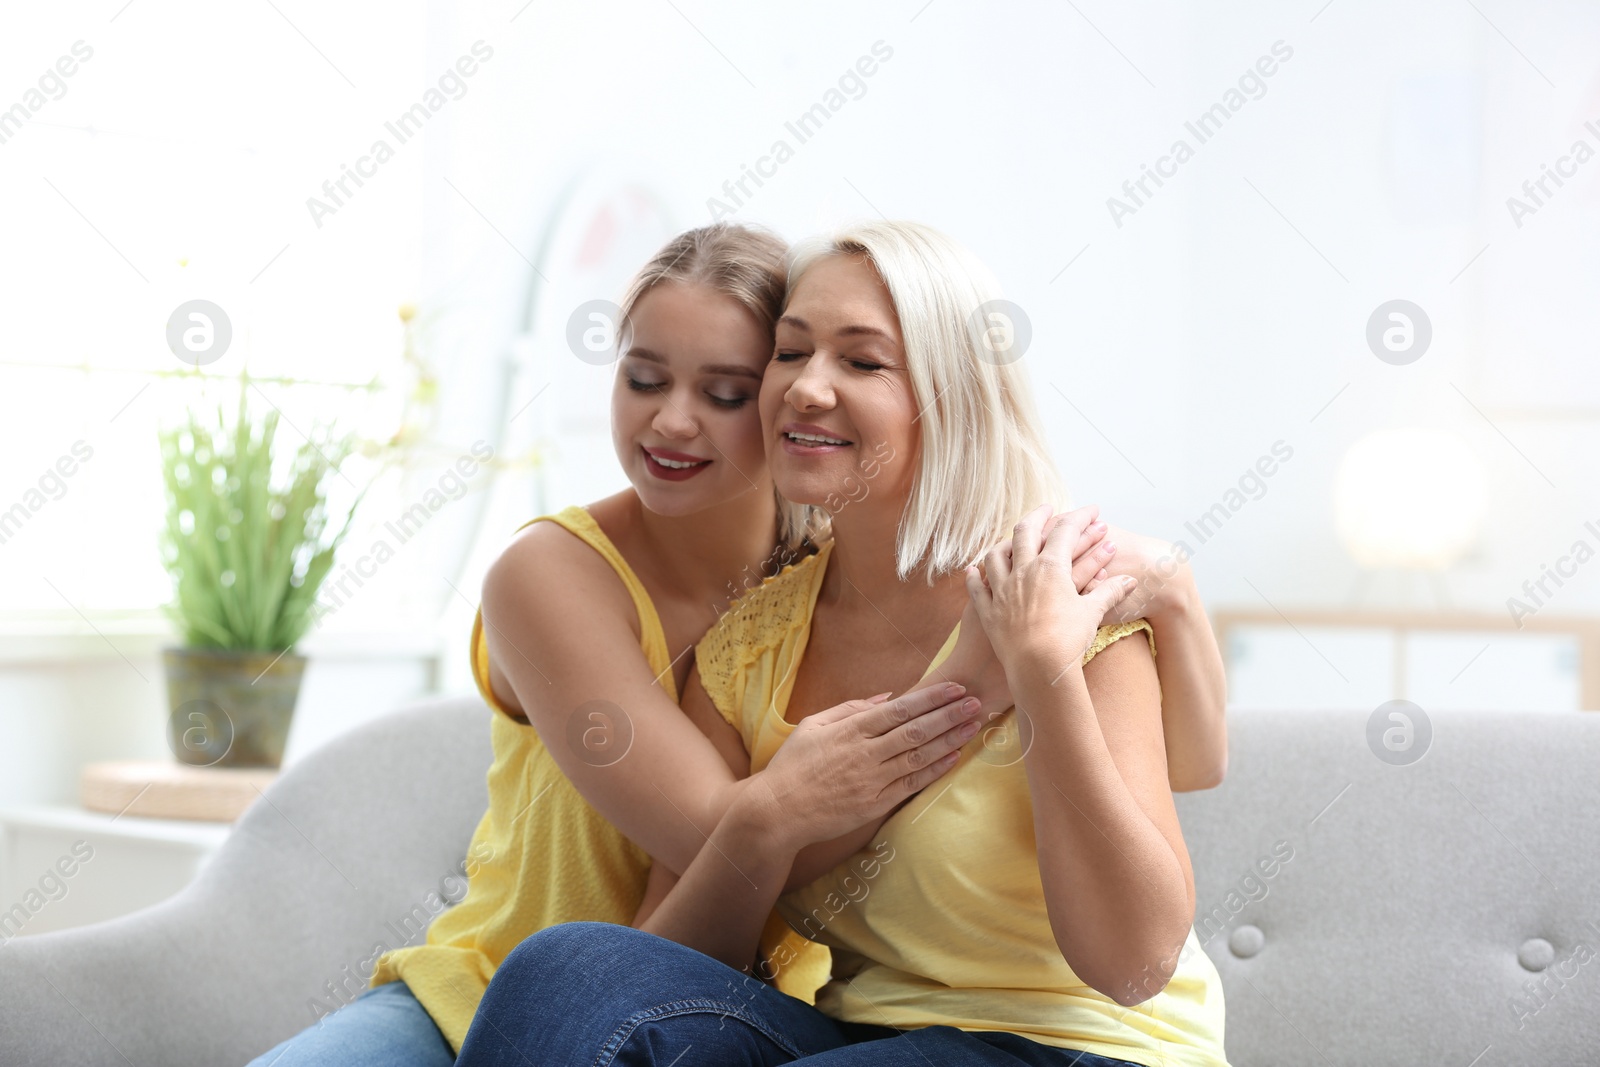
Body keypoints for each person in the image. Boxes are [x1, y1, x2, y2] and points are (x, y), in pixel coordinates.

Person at [247, 222, 1225, 1066]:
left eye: (860, 359)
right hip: (808, 1026)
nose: (807, 386)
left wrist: (1065, 650)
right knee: (569, 964)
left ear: (947, 395)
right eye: (792, 355)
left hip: (1073, 1041)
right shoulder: (745, 631)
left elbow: (1143, 940)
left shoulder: (1051, 589)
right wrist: (805, 791)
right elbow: (687, 902)